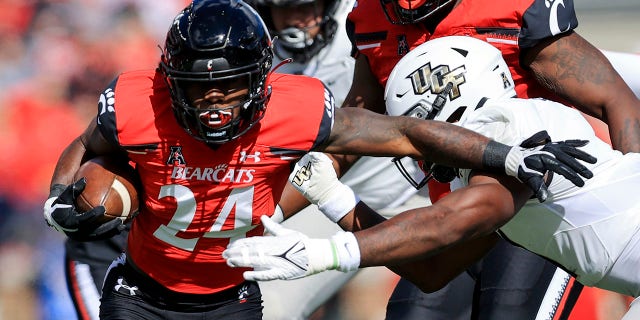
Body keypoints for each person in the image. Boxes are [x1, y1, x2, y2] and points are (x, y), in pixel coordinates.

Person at [41, 1, 592, 319]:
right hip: (149, 284)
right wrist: (58, 200)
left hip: (238, 281)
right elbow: (89, 145)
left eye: (231, 85)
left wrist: (507, 154)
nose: (214, 102)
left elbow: (403, 133)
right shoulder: (141, 99)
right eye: (199, 86)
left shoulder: (301, 104)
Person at [223, 36, 640, 320]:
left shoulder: (514, 125)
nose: (422, 151)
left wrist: (321, 254)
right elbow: (433, 269)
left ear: (453, 112)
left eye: (425, 132)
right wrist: (336, 200)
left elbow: (451, 220)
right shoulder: (491, 162)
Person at [340, 0, 640, 318]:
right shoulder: (370, 20)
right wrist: (323, 194)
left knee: (506, 309)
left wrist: (626, 216)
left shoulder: (511, 10)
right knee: (412, 312)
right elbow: (431, 270)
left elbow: (614, 98)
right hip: (463, 214)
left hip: (535, 209)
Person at [247, 0, 424, 317]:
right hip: (320, 198)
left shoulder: (366, 23)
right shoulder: (256, 44)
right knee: (267, 302)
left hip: (411, 195)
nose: (297, 20)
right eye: (284, 9)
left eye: (307, 6)